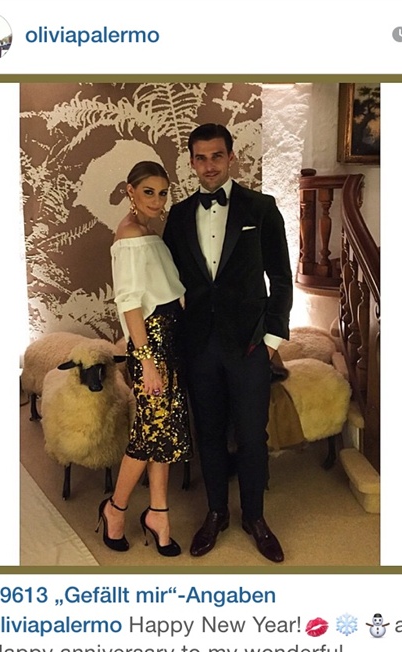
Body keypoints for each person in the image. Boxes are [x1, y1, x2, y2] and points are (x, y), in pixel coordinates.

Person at [163, 123, 293, 563]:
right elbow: (168, 282)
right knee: (210, 434)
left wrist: (272, 339)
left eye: (216, 156)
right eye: (200, 158)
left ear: (231, 157)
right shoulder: (179, 215)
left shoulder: (262, 207)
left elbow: (281, 277)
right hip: (199, 344)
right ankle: (216, 512)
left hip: (250, 344)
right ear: (192, 162)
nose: (209, 166)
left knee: (253, 436)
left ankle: (255, 517)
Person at [97, 161, 192, 557]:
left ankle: (158, 513)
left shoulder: (147, 232)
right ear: (130, 191)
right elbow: (130, 302)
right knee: (149, 435)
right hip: (151, 344)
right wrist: (148, 360)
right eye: (148, 191)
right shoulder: (130, 236)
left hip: (168, 341)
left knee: (162, 433)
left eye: (163, 192)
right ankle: (115, 509)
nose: (157, 200)